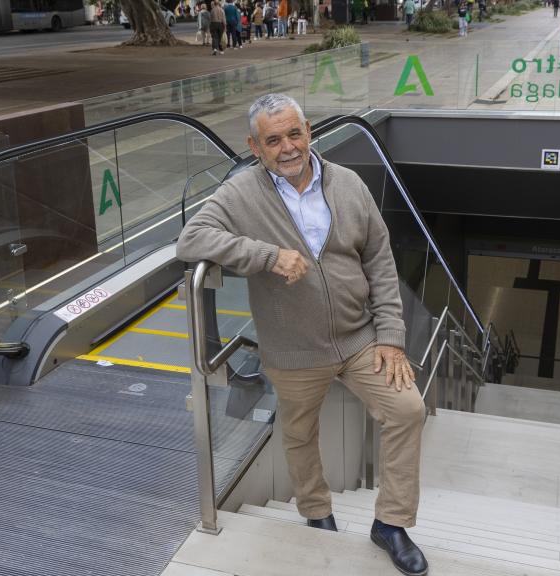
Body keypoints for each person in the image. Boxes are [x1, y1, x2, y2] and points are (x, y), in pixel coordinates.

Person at [177, 93, 429, 576]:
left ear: (309, 130)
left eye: (294, 133)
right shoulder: (241, 193)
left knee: (407, 409)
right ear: (255, 146)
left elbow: (379, 258)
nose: (287, 147)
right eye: (273, 140)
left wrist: (391, 334)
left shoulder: (349, 183)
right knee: (298, 433)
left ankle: (391, 525)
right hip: (293, 348)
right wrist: (267, 256)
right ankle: (317, 514)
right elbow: (192, 239)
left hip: (360, 339)